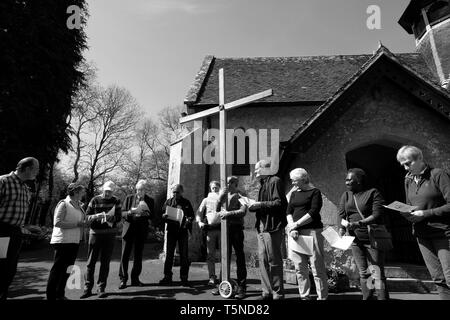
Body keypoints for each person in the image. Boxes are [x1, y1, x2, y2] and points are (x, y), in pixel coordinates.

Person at [396, 145, 450, 300]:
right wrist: (406, 213)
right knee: (438, 278)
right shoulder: (408, 180)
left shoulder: (438, 174)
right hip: (422, 234)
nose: (405, 168)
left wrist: (425, 213)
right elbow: (409, 204)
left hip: (442, 232)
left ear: (420, 158)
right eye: (403, 165)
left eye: (408, 163)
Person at [337, 168, 389, 300]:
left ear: (359, 181)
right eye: (346, 179)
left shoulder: (373, 193)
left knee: (376, 272)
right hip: (355, 239)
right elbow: (342, 215)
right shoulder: (346, 195)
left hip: (372, 238)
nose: (346, 182)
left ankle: (382, 298)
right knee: (363, 273)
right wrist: (341, 229)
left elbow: (377, 214)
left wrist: (359, 223)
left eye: (349, 179)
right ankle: (367, 298)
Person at [0, 157, 39, 300]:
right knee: (1, 267)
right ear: (27, 169)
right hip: (1, 231)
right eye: (36, 169)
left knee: (10, 269)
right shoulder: (3, 181)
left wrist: (24, 227)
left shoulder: (25, 187)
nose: (37, 172)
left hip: (15, 232)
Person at [286, 168, 328, 300]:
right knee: (300, 267)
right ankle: (304, 296)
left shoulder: (315, 192)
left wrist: (296, 224)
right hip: (296, 233)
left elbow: (313, 212)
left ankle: (322, 297)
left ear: (304, 180)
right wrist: (292, 228)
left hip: (312, 232)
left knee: (317, 267)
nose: (293, 183)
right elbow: (288, 211)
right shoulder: (294, 193)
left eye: (295, 181)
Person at [249, 159, 287, 300]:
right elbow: (264, 205)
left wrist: (259, 204)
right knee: (263, 259)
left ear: (266, 169)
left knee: (274, 260)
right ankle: (266, 292)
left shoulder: (275, 181)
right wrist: (254, 206)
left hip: (272, 226)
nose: (255, 172)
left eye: (257, 169)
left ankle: (278, 293)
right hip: (262, 226)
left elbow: (279, 203)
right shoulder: (263, 183)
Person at [46, 183, 91, 300]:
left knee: (68, 269)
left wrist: (87, 223)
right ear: (75, 192)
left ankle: (60, 294)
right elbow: (57, 223)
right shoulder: (63, 204)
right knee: (57, 269)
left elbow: (81, 222)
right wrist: (78, 224)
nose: (83, 194)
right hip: (62, 242)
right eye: (82, 192)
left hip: (74, 241)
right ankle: (51, 296)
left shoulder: (79, 205)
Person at [80, 181, 122, 299]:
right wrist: (96, 217)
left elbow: (119, 217)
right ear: (102, 190)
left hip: (109, 235)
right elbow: (86, 217)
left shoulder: (116, 201)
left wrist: (110, 217)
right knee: (90, 262)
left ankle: (101, 288)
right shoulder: (94, 200)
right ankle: (87, 288)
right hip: (95, 234)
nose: (108, 193)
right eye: (106, 191)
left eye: (110, 191)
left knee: (105, 262)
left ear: (113, 191)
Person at [211, 176, 248, 299]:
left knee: (239, 256)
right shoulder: (224, 195)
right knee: (224, 256)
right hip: (225, 229)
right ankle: (223, 283)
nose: (227, 185)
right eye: (226, 183)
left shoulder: (241, 195)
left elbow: (243, 211)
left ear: (235, 183)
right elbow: (216, 210)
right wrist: (220, 198)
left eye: (230, 182)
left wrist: (229, 213)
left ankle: (242, 287)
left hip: (236, 229)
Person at [119, 179, 155, 289]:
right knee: (125, 255)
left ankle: (135, 279)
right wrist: (131, 212)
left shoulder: (150, 200)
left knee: (138, 256)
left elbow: (152, 216)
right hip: (129, 229)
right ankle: (123, 279)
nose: (139, 192)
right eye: (138, 190)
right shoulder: (129, 198)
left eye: (142, 190)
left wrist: (145, 214)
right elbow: (122, 213)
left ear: (145, 190)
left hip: (141, 230)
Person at [159, 184, 194, 286]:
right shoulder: (168, 202)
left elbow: (192, 215)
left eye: (177, 192)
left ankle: (184, 278)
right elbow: (162, 213)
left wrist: (189, 220)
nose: (175, 194)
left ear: (182, 192)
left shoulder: (186, 202)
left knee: (184, 255)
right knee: (169, 255)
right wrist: (164, 216)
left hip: (183, 231)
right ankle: (167, 277)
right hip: (171, 231)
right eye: (173, 192)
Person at [196, 181, 221, 286]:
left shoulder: (222, 198)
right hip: (210, 229)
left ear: (219, 188)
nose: (215, 189)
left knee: (223, 254)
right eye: (213, 188)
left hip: (221, 229)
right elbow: (198, 211)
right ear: (210, 189)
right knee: (210, 254)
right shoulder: (206, 200)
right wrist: (199, 222)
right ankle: (212, 277)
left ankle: (223, 276)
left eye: (216, 188)